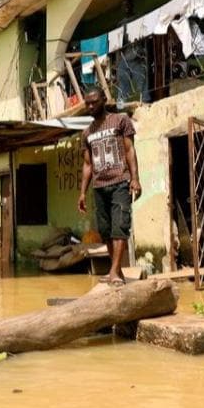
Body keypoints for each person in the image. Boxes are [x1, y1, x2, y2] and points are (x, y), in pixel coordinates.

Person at [77, 87, 141, 285]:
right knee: (105, 231)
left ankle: (113, 271)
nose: (90, 106)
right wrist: (82, 193)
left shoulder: (121, 120)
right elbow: (88, 165)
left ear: (104, 100)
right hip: (99, 187)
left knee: (119, 227)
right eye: (87, 103)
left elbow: (129, 150)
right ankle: (117, 271)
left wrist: (135, 178)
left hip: (120, 182)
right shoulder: (86, 133)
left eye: (94, 101)